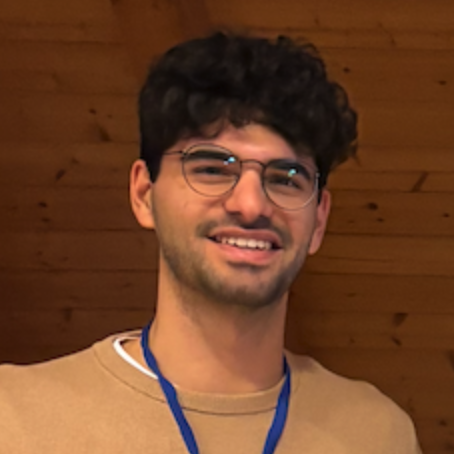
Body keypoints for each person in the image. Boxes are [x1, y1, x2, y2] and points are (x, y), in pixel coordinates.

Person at [0, 32, 422, 453]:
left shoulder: (378, 434)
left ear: (319, 220)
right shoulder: (14, 417)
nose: (251, 205)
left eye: (286, 179)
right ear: (144, 194)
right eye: (212, 169)